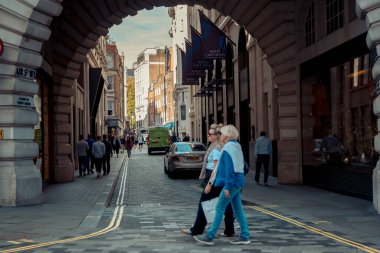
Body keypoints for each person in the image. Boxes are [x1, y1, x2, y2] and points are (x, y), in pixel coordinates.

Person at [194, 125, 250, 246]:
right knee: (239, 210)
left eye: (222, 134)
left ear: (227, 136)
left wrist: (227, 187)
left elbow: (229, 170)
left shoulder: (227, 149)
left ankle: (210, 236)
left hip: (231, 182)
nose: (221, 136)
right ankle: (245, 236)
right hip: (239, 181)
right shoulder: (237, 146)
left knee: (219, 208)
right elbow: (240, 166)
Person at [181, 123, 235, 237]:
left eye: (210, 134)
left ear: (216, 136)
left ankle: (196, 230)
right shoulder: (216, 146)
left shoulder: (216, 148)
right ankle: (229, 230)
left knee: (203, 204)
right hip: (219, 179)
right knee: (226, 205)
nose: (208, 136)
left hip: (213, 178)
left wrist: (209, 184)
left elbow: (216, 168)